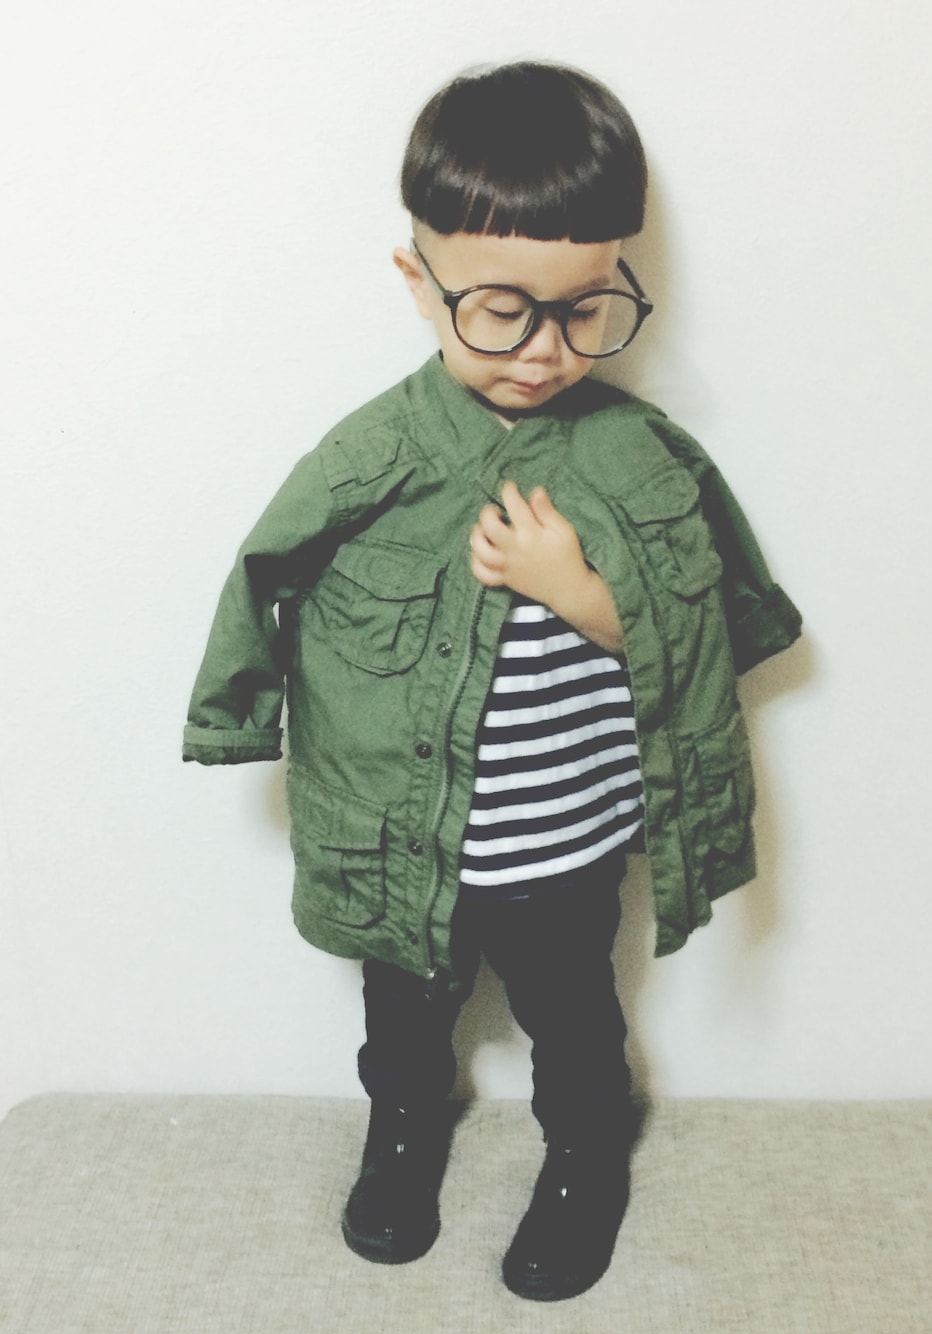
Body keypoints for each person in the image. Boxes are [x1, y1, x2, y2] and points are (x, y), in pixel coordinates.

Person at [183, 61, 801, 1302]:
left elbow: (716, 623)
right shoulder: (371, 456)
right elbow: (262, 572)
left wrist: (581, 592)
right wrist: (237, 715)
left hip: (566, 842)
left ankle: (586, 1151)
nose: (543, 350)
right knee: (405, 1019)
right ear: (419, 282)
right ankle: (404, 1132)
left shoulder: (644, 456)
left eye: (584, 309)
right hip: (401, 840)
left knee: (574, 1016)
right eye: (501, 311)